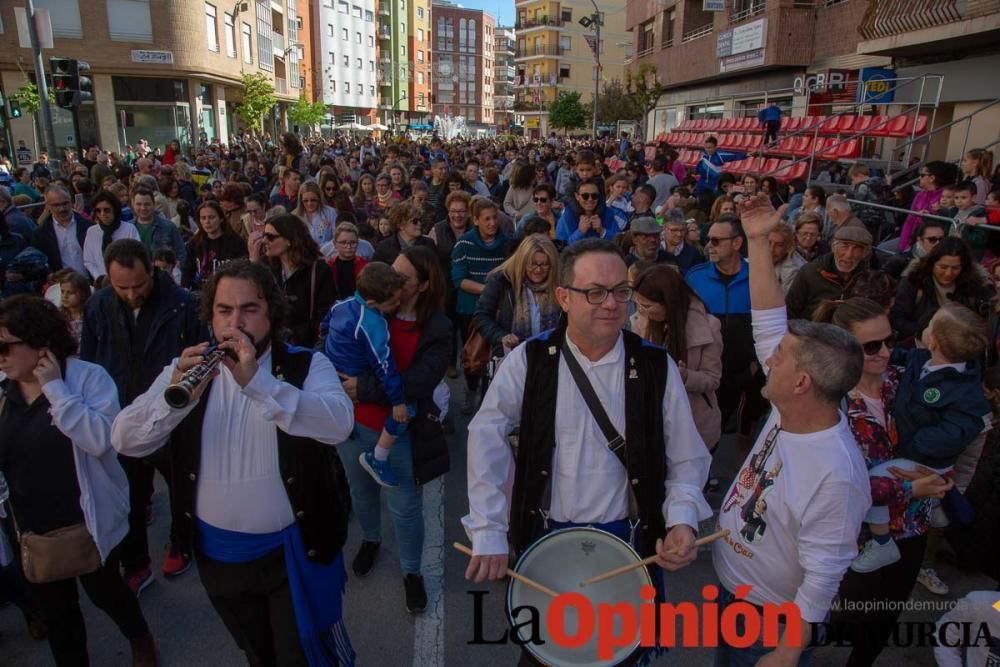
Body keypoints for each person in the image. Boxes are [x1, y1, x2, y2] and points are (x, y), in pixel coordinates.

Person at [462, 238, 712, 665]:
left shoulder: (655, 365)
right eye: (594, 292)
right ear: (564, 297)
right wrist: (488, 528)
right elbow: (486, 434)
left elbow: (687, 456)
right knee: (545, 658)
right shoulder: (530, 359)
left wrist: (682, 520)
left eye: (619, 291)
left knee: (618, 657)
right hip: (546, 541)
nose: (610, 303)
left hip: (629, 543)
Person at [110, 259, 356, 667]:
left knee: (302, 657)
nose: (235, 322)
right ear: (210, 316)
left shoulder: (307, 365)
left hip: (292, 554)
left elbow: (338, 425)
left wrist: (258, 385)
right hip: (219, 557)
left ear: (271, 314)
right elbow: (125, 439)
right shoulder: (184, 369)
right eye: (224, 310)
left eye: (249, 309)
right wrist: (173, 401)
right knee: (256, 652)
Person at [713, 194, 870, 666]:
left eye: (779, 358)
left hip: (768, 621)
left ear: (802, 382)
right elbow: (768, 321)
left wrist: (787, 650)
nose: (768, 360)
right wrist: (758, 242)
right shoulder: (793, 408)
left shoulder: (836, 475)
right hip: (735, 595)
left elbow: (822, 579)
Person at [0, 295, 156, 666]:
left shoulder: (86, 378)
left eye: (5, 345)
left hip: (88, 519)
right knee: (59, 618)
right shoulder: (3, 390)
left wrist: (55, 389)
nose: (0, 355)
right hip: (33, 528)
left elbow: (103, 440)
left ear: (39, 343)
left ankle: (140, 637)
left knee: (107, 593)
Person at [81, 239, 207, 592]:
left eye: (139, 285)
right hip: (122, 417)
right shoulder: (98, 305)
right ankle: (135, 561)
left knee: (183, 486)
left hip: (173, 416)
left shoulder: (184, 305)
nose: (132, 294)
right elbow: (90, 364)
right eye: (122, 287)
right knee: (129, 495)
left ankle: (182, 543)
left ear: (152, 269)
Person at [335, 245, 451, 613]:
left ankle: (411, 571)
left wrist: (362, 387)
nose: (391, 282)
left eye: (401, 279)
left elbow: (419, 382)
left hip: (396, 431)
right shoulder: (370, 305)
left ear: (423, 285)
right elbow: (337, 346)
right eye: (390, 271)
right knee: (361, 491)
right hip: (353, 423)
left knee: (404, 506)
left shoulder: (437, 327)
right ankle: (371, 540)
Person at [851, 301, 990, 572]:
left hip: (923, 458)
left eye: (930, 324)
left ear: (934, 340)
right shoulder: (922, 359)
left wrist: (913, 446)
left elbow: (956, 432)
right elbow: (899, 357)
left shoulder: (965, 391)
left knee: (873, 483)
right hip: (914, 454)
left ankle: (881, 543)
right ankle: (934, 504)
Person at [323, 262, 410, 487]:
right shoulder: (372, 322)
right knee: (407, 411)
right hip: (354, 372)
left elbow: (324, 325)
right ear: (372, 303)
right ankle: (378, 458)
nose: (398, 304)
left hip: (334, 369)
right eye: (393, 303)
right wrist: (398, 401)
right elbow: (384, 365)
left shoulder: (341, 305)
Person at [631, 264, 723, 456]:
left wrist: (685, 377)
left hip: (694, 423)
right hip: (654, 422)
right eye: (638, 304)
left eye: (647, 306)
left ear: (667, 302)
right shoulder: (641, 322)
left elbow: (712, 379)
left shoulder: (708, 327)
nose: (642, 311)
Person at [686, 214, 763, 441]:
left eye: (717, 240)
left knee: (742, 435)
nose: (709, 245)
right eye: (708, 240)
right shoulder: (694, 277)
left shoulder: (758, 278)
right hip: (705, 376)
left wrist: (754, 367)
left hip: (744, 376)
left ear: (737, 243)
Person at [451, 198, 510, 414]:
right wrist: (489, 290)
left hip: (500, 309)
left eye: (495, 218)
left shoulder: (506, 244)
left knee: (497, 356)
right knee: (473, 356)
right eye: (487, 219)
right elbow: (459, 280)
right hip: (470, 310)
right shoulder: (464, 245)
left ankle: (492, 398)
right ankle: (471, 390)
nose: (492, 223)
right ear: (475, 220)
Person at [472, 234, 562, 363]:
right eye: (532, 264)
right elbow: (481, 316)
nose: (538, 270)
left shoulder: (561, 284)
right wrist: (502, 336)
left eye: (544, 264)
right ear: (522, 262)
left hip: (551, 358)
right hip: (511, 359)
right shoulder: (502, 281)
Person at [251, 213, 337, 348]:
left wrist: (296, 335)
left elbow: (325, 313)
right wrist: (253, 263)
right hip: (270, 344)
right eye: (264, 235)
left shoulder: (319, 269)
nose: (264, 241)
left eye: (271, 237)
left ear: (289, 240)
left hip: (306, 346)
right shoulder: (264, 266)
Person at [889, 236, 991, 341]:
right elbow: (897, 319)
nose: (948, 273)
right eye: (943, 267)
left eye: (955, 268)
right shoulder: (913, 282)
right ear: (932, 263)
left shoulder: (975, 286)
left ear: (964, 267)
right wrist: (925, 333)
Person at [786, 226, 873, 320]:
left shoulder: (868, 279)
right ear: (834, 247)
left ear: (864, 253)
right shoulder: (810, 272)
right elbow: (790, 311)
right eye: (844, 246)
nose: (848, 255)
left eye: (857, 249)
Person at [182, 201, 249, 290]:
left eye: (211, 217)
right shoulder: (194, 243)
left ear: (221, 218)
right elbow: (187, 271)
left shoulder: (236, 242)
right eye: (203, 218)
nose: (207, 222)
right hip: (201, 292)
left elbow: (244, 271)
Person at [31, 184, 92, 274]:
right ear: (47, 206)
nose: (62, 209)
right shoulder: (40, 234)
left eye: (65, 203)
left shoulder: (89, 227)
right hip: (61, 284)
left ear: (71, 202)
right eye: (56, 205)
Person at [82, 192, 140, 282]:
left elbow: (136, 256)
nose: (102, 214)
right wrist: (100, 278)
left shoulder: (129, 229)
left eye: (107, 210)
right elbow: (89, 260)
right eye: (98, 210)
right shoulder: (92, 232)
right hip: (101, 281)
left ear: (115, 209)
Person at [899, 161, 956, 252]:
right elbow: (909, 220)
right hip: (912, 239)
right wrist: (903, 244)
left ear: (932, 178)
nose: (919, 178)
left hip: (930, 242)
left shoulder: (946, 196)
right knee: (884, 249)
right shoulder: (920, 195)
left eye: (922, 175)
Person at [130, 188, 187, 268]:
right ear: (133, 205)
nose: (143, 208)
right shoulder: (128, 228)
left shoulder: (169, 227)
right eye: (139, 204)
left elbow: (181, 255)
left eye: (147, 204)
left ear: (154, 205)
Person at [554, 181, 624, 243]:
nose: (590, 199)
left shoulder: (608, 214)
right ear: (577, 196)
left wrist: (602, 231)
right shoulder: (566, 217)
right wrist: (580, 232)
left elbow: (618, 242)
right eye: (585, 196)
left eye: (594, 196)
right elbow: (562, 247)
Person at [326, 222, 369, 302]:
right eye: (343, 242)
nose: (348, 246)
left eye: (353, 242)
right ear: (335, 244)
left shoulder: (366, 267)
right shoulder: (328, 266)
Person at [293, 181, 337, 248]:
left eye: (313, 200)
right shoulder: (295, 216)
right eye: (305, 200)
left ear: (319, 198)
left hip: (327, 253)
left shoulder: (330, 212)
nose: (309, 204)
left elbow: (336, 238)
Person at [661, 208, 703, 273]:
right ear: (664, 228)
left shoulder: (693, 253)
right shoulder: (654, 248)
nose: (679, 234)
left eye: (682, 230)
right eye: (674, 230)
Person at [769, 223, 806, 295]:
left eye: (779, 245)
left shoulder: (792, 272)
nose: (771, 249)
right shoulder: (753, 260)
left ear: (788, 247)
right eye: (768, 243)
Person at [58, 271, 90, 343]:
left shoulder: (91, 314)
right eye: (62, 291)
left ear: (83, 294)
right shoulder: (58, 316)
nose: (65, 296)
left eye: (70, 292)